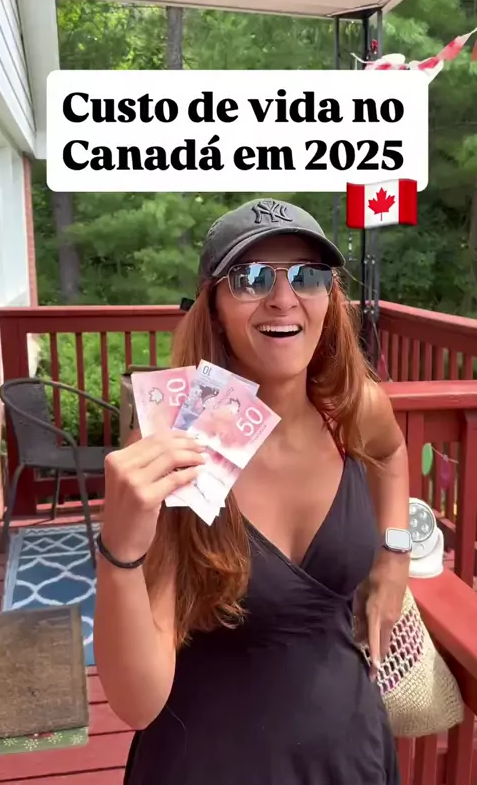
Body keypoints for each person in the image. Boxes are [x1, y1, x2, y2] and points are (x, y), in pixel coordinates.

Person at [95, 198, 410, 785]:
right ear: (213, 308)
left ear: (330, 299)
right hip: (209, 761)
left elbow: (392, 455)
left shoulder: (353, 411)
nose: (284, 298)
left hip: (350, 751)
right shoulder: (174, 443)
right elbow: (136, 704)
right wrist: (120, 553)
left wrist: (395, 555)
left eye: (308, 276)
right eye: (251, 278)